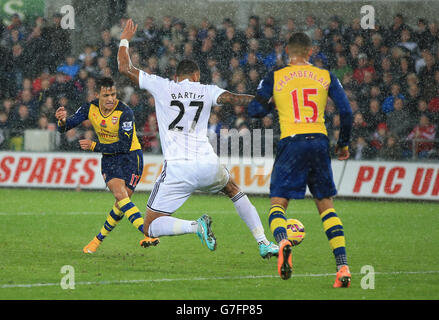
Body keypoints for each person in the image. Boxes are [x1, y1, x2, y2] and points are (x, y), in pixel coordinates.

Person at [117, 19, 278, 259]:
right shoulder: (207, 90)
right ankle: (264, 242)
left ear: (176, 75)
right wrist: (266, 99)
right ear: (196, 75)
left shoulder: (163, 86)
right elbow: (235, 99)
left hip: (178, 169)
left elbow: (124, 68)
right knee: (234, 190)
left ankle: (195, 226)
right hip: (207, 164)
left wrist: (125, 39)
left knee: (150, 226)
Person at [248, 32, 353, 287]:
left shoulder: (276, 75)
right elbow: (347, 112)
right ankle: (343, 268)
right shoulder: (326, 76)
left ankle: (283, 241)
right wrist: (343, 144)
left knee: (278, 204)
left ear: (287, 51)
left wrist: (273, 102)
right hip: (318, 141)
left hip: (291, 142)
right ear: (310, 51)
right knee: (326, 206)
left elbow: (255, 111)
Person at [55, 77, 159, 253]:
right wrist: (62, 121)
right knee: (120, 195)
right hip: (110, 158)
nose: (111, 98)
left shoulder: (125, 112)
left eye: (113, 94)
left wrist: (95, 145)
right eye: (106, 95)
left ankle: (97, 239)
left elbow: (124, 146)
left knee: (121, 203)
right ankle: (147, 232)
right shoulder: (90, 107)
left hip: (131, 157)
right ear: (97, 95)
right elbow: (66, 126)